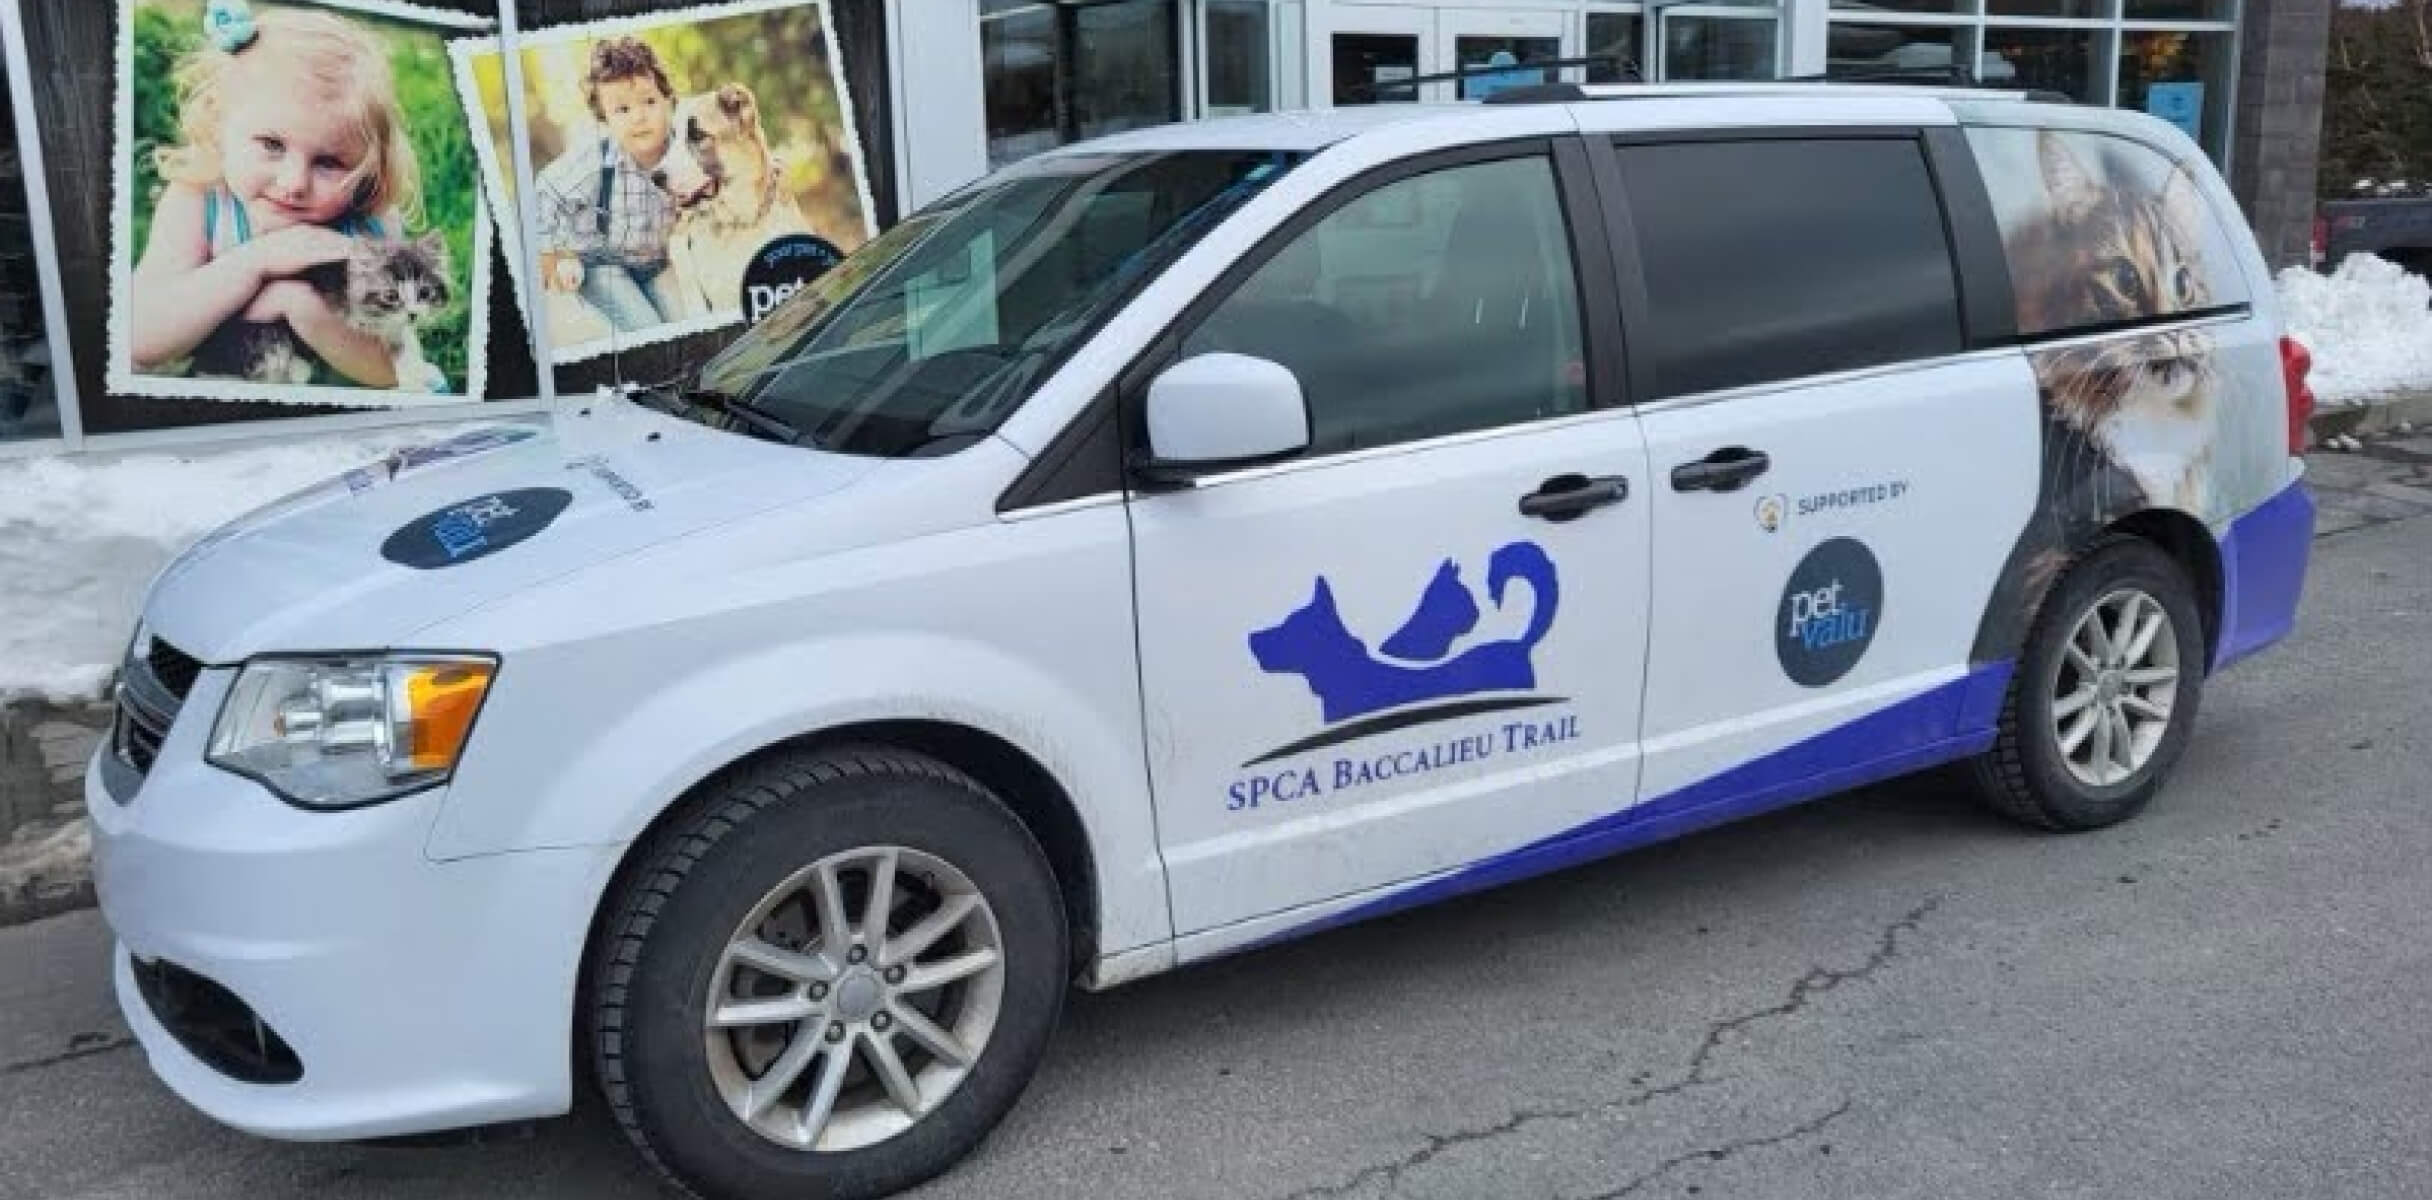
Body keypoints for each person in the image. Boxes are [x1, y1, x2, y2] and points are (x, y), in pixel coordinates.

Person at [129, 0, 424, 389]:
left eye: (329, 162)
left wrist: (296, 303)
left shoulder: (368, 226)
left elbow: (388, 372)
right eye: (271, 144)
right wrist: (258, 261)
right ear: (220, 125)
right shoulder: (198, 202)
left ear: (368, 166)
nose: (295, 182)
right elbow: (139, 339)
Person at [533, 36, 681, 333]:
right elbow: (545, 191)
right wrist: (554, 256)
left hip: (656, 263)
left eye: (649, 102)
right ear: (604, 118)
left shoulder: (685, 151)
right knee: (647, 329)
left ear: (669, 101)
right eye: (622, 110)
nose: (639, 117)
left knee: (683, 325)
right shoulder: (596, 161)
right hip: (600, 264)